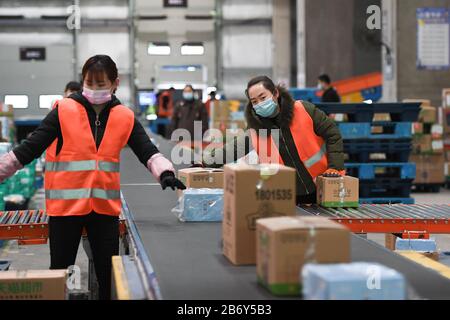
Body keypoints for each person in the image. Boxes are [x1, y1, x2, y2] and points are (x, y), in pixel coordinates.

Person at [0, 54, 186, 299]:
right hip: (65, 211)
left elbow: (147, 151)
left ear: (115, 83)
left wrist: (165, 172)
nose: (94, 90)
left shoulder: (125, 116)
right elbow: (29, 148)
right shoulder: (63, 110)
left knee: (108, 276)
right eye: (89, 83)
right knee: (60, 275)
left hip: (104, 211)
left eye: (101, 85)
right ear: (82, 81)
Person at [202, 75, 345, 204]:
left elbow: (333, 133)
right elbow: (232, 150)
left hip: (321, 188)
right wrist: (205, 162)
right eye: (254, 101)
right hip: (286, 195)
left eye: (263, 98)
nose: (259, 104)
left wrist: (335, 167)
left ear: (275, 93)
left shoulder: (303, 110)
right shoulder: (256, 130)